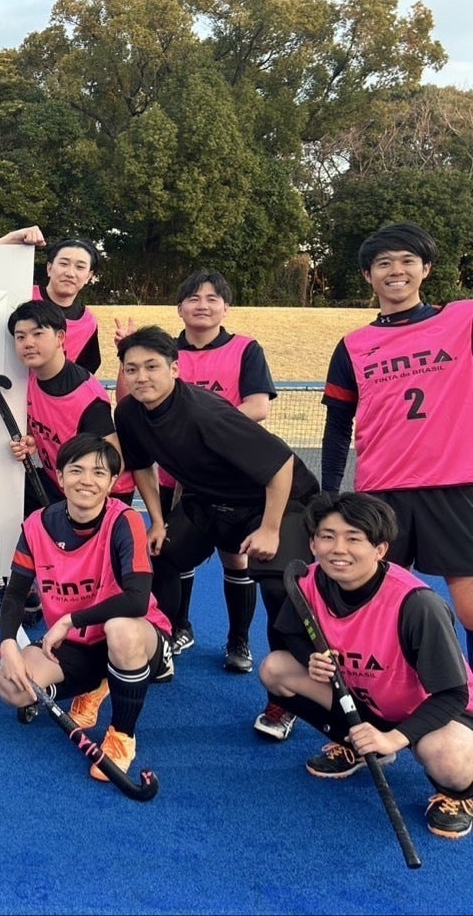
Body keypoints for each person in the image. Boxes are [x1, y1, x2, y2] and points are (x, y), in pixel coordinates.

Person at [114, 326, 319, 740]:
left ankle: (287, 697)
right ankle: (160, 646)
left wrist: (270, 529)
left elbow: (281, 465)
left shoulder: (206, 413)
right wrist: (157, 521)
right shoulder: (130, 413)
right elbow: (141, 466)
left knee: (281, 588)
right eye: (131, 369)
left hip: (277, 500)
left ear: (174, 369)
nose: (141, 377)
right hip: (209, 500)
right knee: (159, 555)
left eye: (152, 367)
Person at [259, 491, 473, 839]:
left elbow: (453, 695)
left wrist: (393, 739)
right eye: (327, 537)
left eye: (353, 538)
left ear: (380, 549)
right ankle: (355, 745)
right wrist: (310, 659)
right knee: (276, 669)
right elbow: (291, 633)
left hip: (438, 711)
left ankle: (461, 794)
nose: (338, 549)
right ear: (313, 544)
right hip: (369, 699)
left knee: (444, 755)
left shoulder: (418, 605)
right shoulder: (310, 581)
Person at [321, 222, 473, 666]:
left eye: (408, 261)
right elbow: (337, 426)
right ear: (368, 275)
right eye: (384, 263)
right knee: (380, 606)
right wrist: (329, 492)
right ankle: (388, 696)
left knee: (469, 608)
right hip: (381, 492)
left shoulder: (462, 319)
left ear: (427, 269)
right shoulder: (353, 346)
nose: (396, 271)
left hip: (453, 485)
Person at [0, 433, 172, 780]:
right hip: (78, 644)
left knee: (120, 630)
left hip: (137, 635)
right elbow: (15, 594)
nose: (86, 480)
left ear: (112, 483)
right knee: (12, 688)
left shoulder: (125, 521)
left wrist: (69, 620)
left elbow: (137, 600)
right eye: (76, 470)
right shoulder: (36, 525)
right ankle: (97, 683)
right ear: (60, 478)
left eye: (99, 473)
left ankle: (122, 735)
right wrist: (9, 646)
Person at [0, 298, 134, 626]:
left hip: (102, 492)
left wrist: (82, 503)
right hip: (58, 480)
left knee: (90, 566)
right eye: (20, 336)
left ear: (61, 337)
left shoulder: (85, 395)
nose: (28, 343)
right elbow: (51, 430)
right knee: (6, 501)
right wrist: (32, 441)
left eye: (38, 334)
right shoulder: (31, 378)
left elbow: (112, 460)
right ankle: (24, 591)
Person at [161, 270, 277, 675]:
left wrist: (203, 436)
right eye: (193, 298)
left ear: (226, 308)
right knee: (174, 555)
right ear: (179, 308)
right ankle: (179, 627)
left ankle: (238, 640)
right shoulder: (165, 351)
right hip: (174, 476)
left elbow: (258, 406)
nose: (203, 305)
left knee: (236, 558)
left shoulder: (246, 349)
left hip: (229, 477)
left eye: (212, 298)